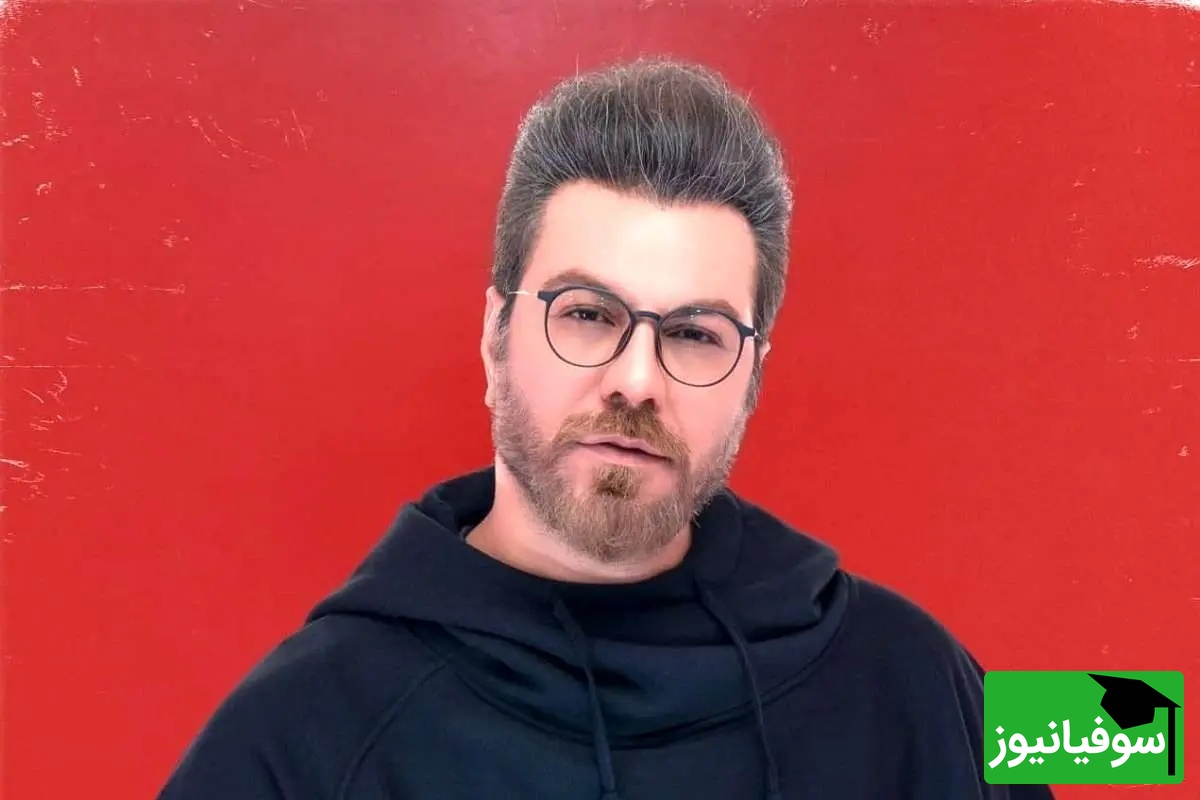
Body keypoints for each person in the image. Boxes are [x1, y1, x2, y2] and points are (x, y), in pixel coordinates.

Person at [159, 57, 1054, 800]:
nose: (636, 381)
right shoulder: (301, 734)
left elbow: (1120, 724)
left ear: (751, 379)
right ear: (495, 336)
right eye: (588, 314)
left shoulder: (921, 679)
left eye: (695, 333)